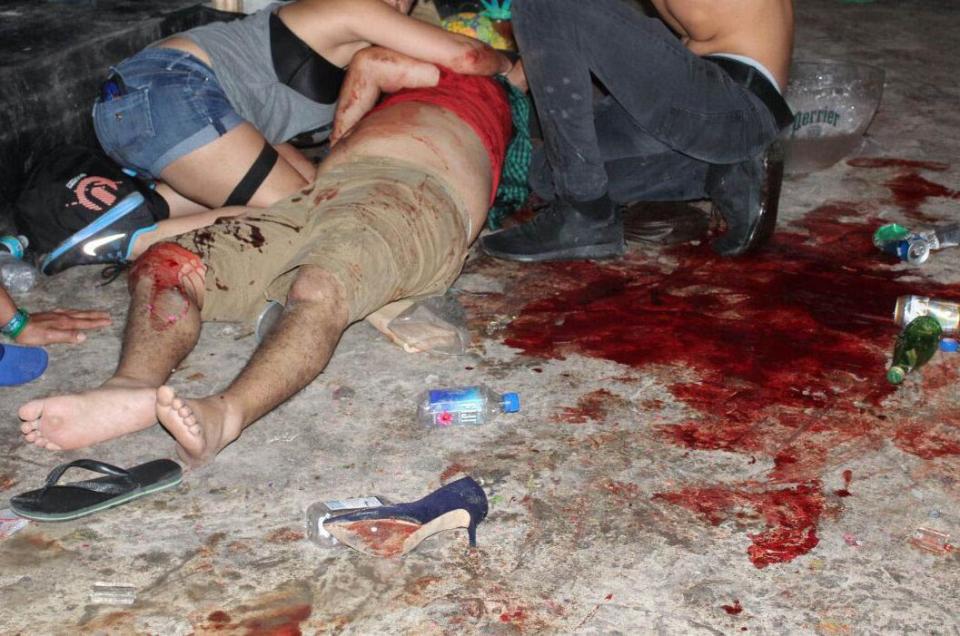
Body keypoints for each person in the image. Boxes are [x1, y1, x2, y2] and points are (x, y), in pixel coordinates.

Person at [19, 47, 517, 465]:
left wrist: (501, 63)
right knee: (167, 262)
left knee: (320, 285)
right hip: (321, 193)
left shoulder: (486, 81)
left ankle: (227, 413)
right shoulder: (417, 71)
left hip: (414, 197)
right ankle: (131, 386)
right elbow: (364, 70)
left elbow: (446, 59)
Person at [42, 0, 515, 273]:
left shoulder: (359, 44)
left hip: (152, 110)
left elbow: (283, 137)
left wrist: (325, 176)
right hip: (171, 91)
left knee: (312, 195)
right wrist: (514, 68)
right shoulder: (349, 5)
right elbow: (467, 59)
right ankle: (132, 238)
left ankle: (133, 208)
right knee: (307, 218)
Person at [480, 0, 795, 262]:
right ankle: (721, 167)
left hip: (735, 98)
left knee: (543, 4)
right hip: (705, 115)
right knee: (542, 173)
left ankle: (583, 212)